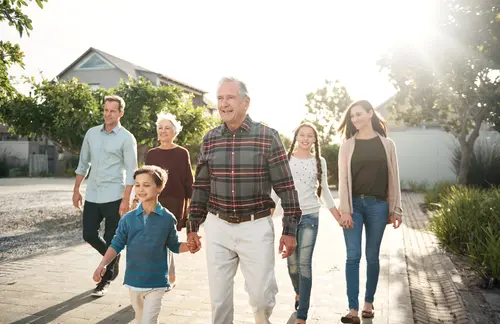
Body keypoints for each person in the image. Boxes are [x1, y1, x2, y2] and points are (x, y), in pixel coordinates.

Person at [186, 77, 302, 324]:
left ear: (246, 102)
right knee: (219, 301)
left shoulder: (267, 137)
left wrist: (289, 230)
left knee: (260, 298)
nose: (223, 104)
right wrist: (192, 226)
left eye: (230, 97)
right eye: (219, 98)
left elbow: (286, 187)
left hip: (255, 226)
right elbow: (201, 185)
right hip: (217, 225)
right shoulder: (210, 139)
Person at [93, 165, 191, 324]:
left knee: (148, 321)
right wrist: (102, 264)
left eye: (146, 185)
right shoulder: (128, 219)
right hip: (134, 281)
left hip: (158, 282)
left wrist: (189, 246)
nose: (140, 189)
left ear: (159, 187)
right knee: (140, 319)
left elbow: (174, 245)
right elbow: (116, 244)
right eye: (137, 185)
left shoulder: (168, 218)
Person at [337, 100, 403, 324]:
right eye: (351, 117)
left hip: (378, 205)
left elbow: (394, 178)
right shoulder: (347, 145)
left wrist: (396, 209)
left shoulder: (387, 144)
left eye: (358, 115)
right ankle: (352, 309)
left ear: (370, 114)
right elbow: (343, 180)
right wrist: (344, 210)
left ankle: (368, 303)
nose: (354, 119)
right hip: (353, 207)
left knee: (372, 256)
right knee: (352, 256)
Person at [274, 122, 341, 323]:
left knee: (304, 264)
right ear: (296, 137)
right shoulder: (286, 160)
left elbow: (326, 191)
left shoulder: (319, 161)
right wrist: (268, 213)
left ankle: (302, 313)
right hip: (290, 217)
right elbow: (277, 189)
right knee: (292, 264)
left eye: (309, 136)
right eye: (302, 135)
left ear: (314, 139)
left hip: (311, 215)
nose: (305, 138)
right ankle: (299, 292)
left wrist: (337, 216)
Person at [73, 95, 138, 297]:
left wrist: (126, 199)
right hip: (93, 193)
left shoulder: (127, 138)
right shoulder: (92, 134)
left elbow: (131, 169)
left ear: (121, 113)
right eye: (106, 110)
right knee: (89, 234)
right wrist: (76, 189)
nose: (108, 114)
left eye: (112, 110)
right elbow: (84, 163)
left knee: (111, 239)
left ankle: (104, 281)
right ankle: (113, 260)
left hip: (115, 195)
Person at [144, 112, 193, 287]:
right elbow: (145, 179)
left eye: (167, 128)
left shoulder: (182, 153)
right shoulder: (151, 154)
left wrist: (192, 207)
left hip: (174, 201)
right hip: (154, 200)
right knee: (154, 239)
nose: (163, 131)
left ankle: (165, 277)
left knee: (164, 238)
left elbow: (188, 180)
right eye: (160, 128)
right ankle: (166, 275)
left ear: (174, 132)